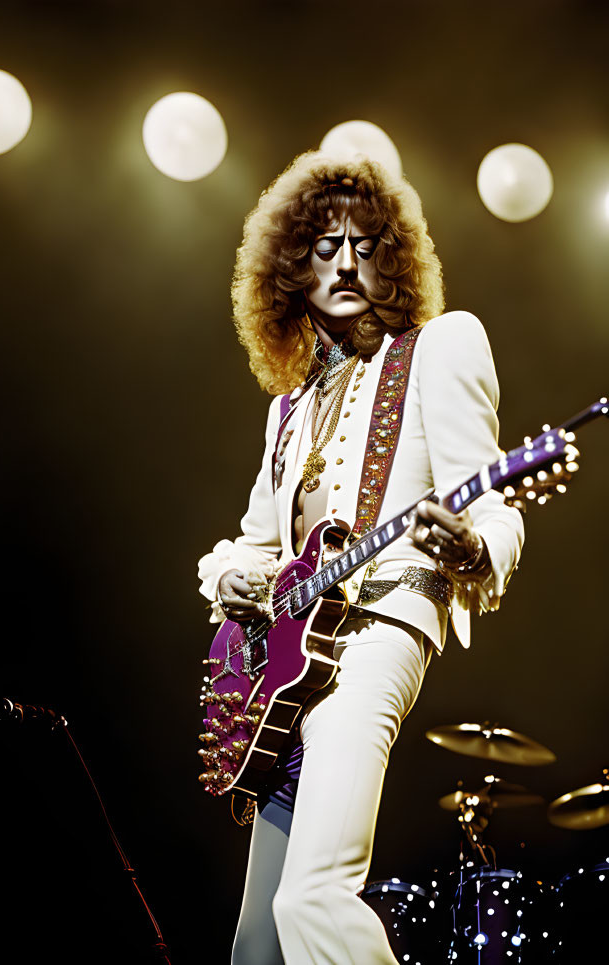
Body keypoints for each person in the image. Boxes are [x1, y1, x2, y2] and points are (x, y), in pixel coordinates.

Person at [196, 152, 524, 964]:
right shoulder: (288, 410)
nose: (345, 262)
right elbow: (257, 539)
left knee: (314, 897)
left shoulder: (440, 345)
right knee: (257, 943)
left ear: (395, 258)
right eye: (321, 245)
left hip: (377, 630)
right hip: (282, 667)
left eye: (366, 244)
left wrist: (475, 544)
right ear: (287, 267)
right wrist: (230, 573)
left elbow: (492, 499)